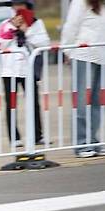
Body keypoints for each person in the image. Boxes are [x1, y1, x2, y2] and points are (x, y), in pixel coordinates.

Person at [0, 0, 50, 148]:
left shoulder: (37, 24)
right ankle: (14, 137)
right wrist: (13, 28)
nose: (18, 8)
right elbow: (0, 45)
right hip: (10, 70)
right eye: (15, 5)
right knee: (11, 104)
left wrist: (27, 30)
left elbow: (44, 43)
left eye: (21, 5)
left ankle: (38, 135)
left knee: (33, 102)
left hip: (28, 69)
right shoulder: (6, 23)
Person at [61, 0, 105, 158]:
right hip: (83, 55)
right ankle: (81, 143)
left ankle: (93, 140)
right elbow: (71, 26)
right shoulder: (81, 2)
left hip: (101, 56)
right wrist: (67, 50)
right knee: (81, 101)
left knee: (96, 102)